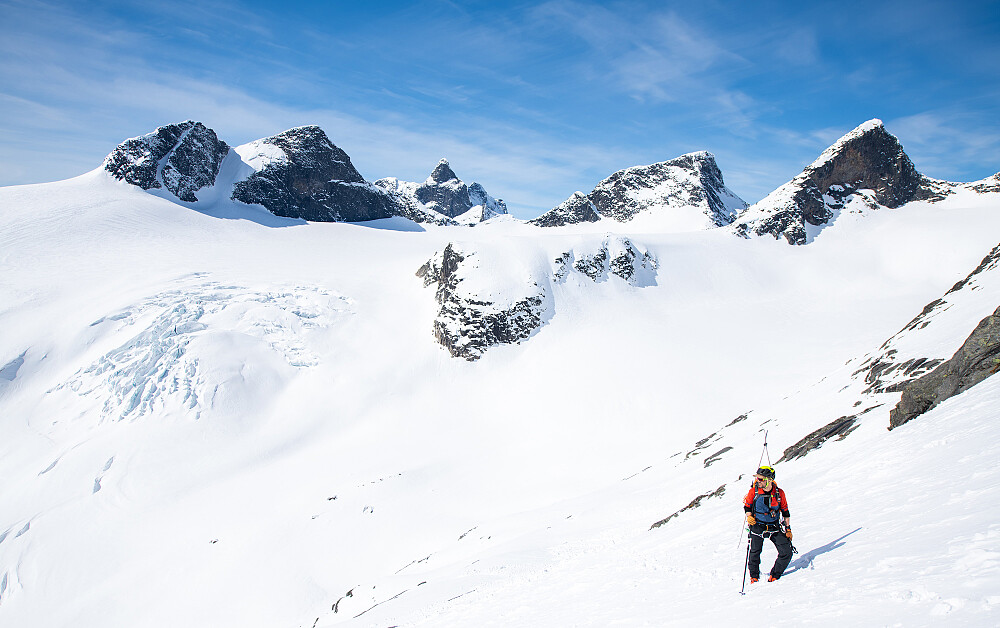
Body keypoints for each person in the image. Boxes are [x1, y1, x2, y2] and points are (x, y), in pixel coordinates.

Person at [743, 465, 793, 583]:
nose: (757, 481)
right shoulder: (753, 492)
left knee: (786, 552)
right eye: (757, 478)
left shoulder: (779, 493)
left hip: (774, 526)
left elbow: (785, 511)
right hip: (757, 525)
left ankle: (775, 574)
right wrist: (749, 517)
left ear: (769, 479)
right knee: (755, 552)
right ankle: (754, 577)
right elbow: (747, 506)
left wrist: (788, 529)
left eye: (760, 479)